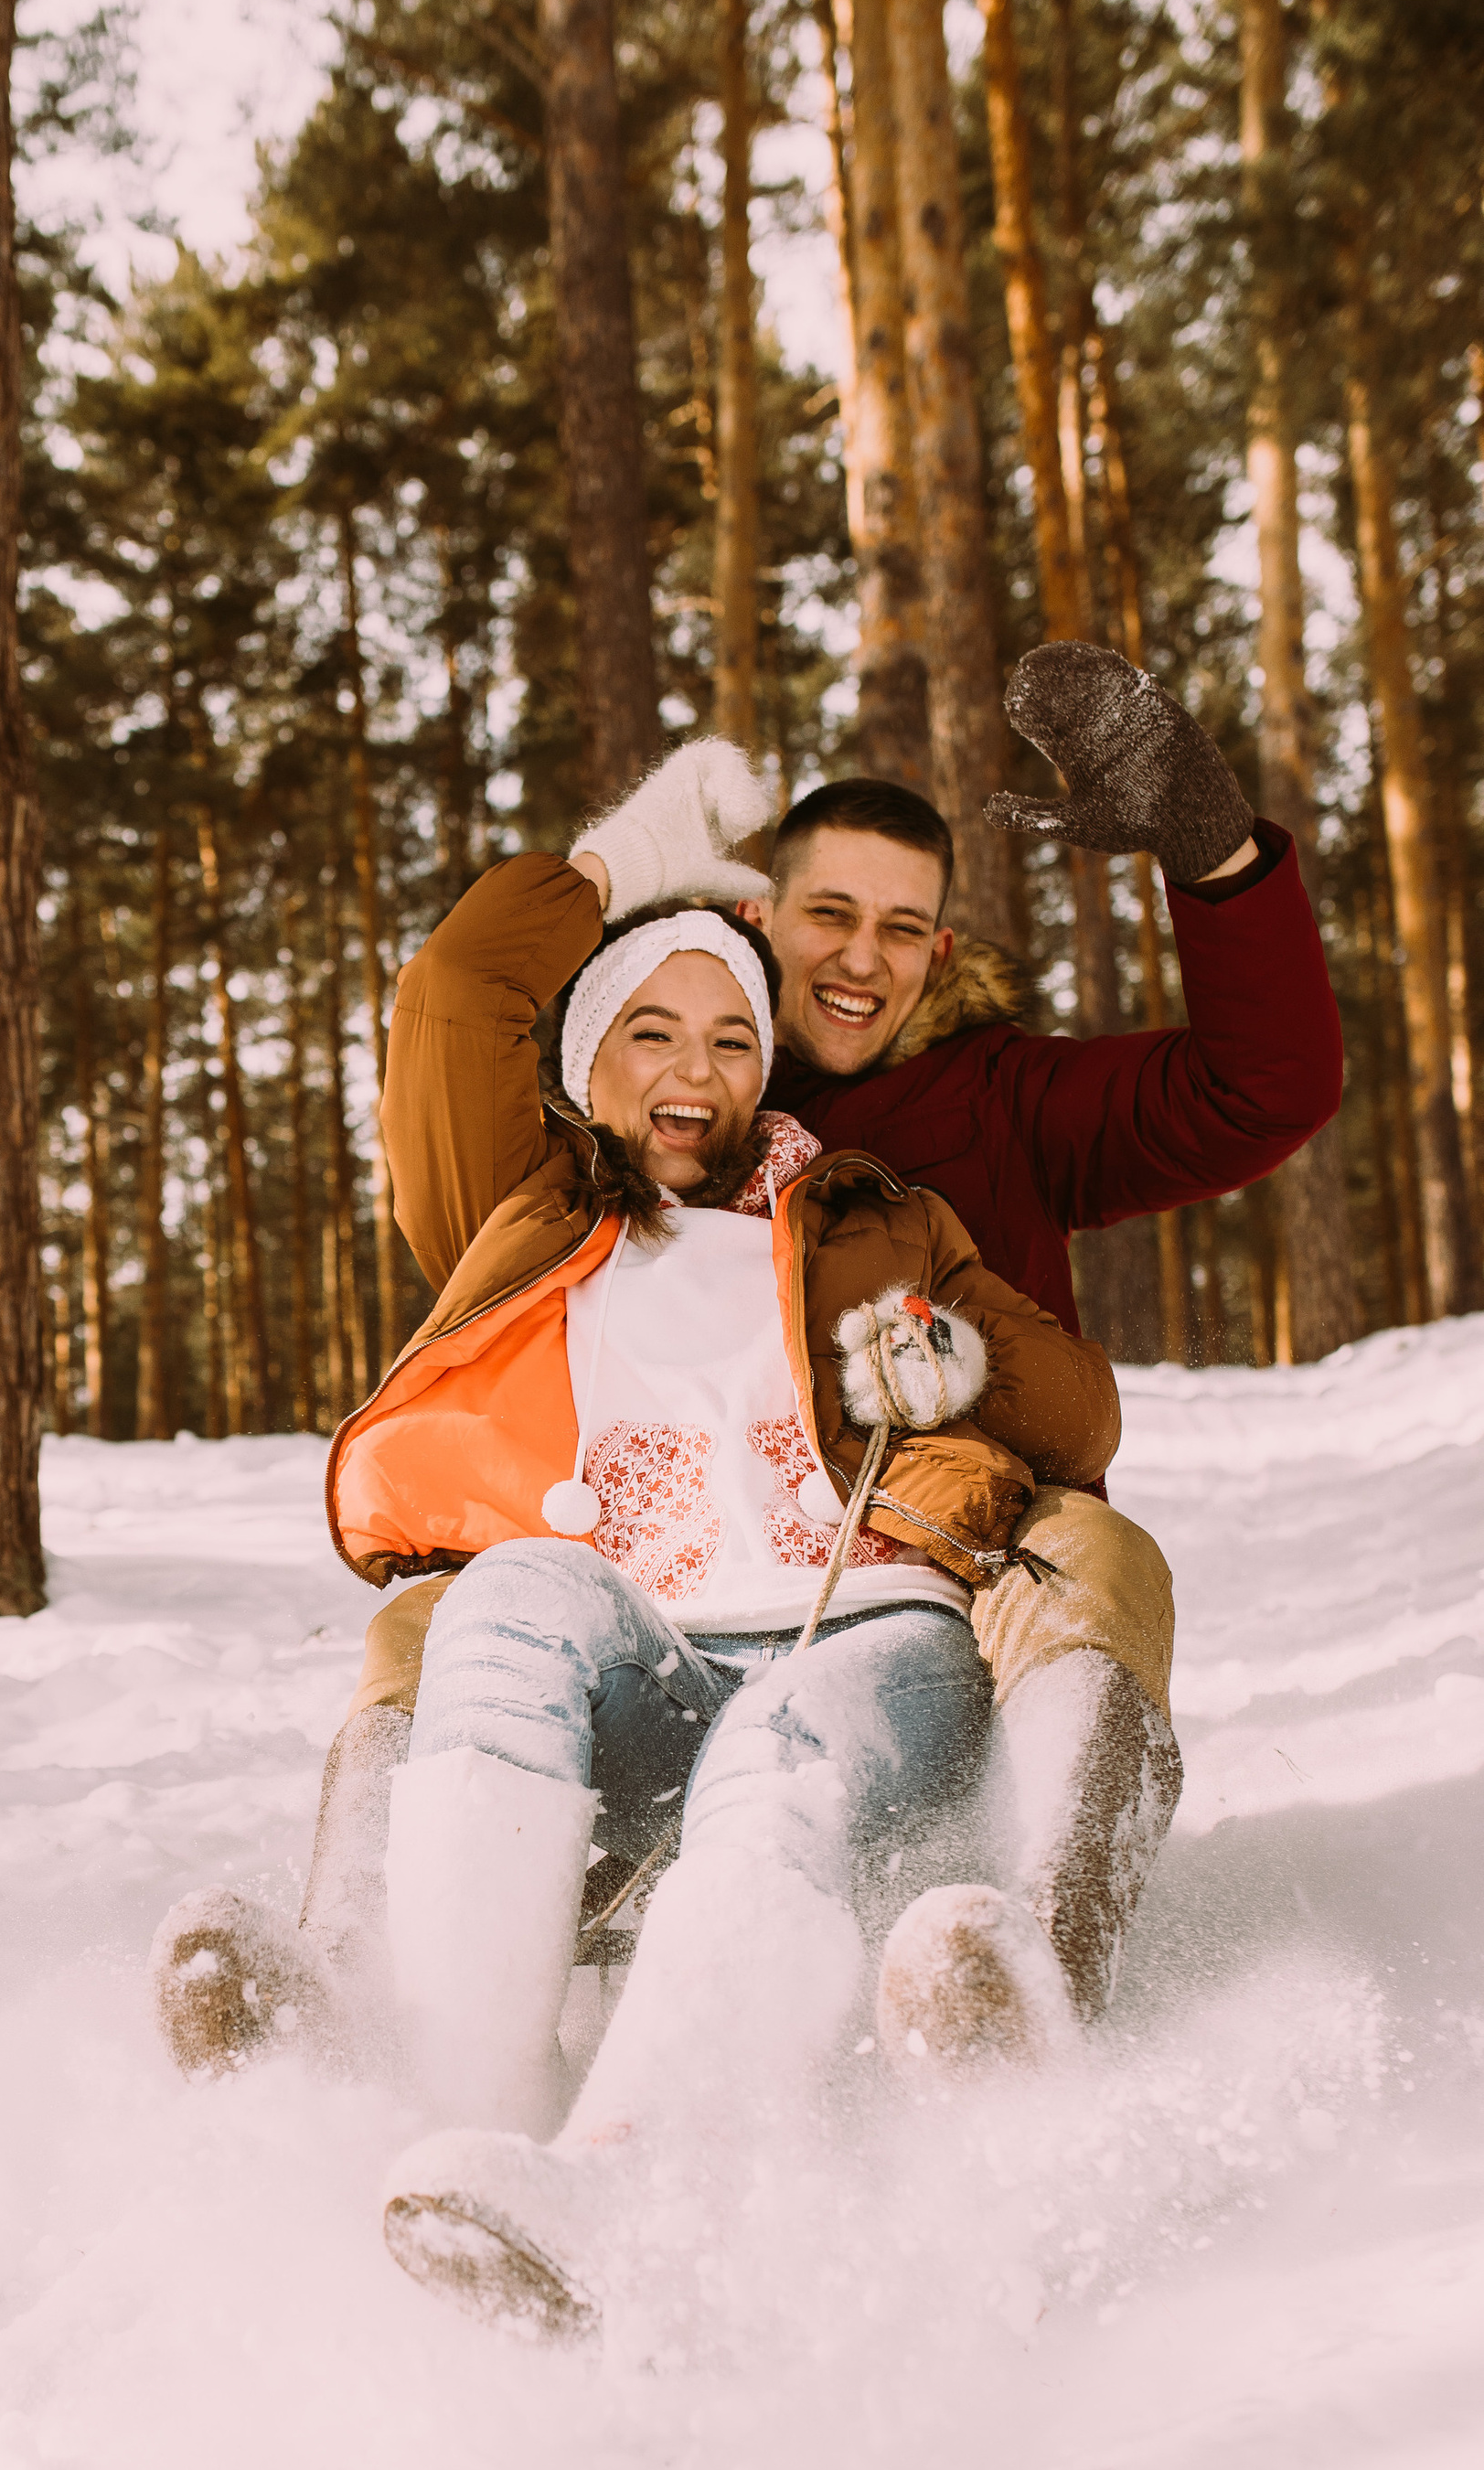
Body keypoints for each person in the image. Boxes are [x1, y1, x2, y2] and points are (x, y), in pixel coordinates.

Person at [152, 644, 1341, 2072]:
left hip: (926, 1547)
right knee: (449, 1611)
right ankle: (357, 1972)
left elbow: (1261, 1089)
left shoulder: (988, 1111)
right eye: (829, 914)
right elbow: (459, 1010)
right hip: (643, 1575)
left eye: (904, 930)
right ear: (752, 923)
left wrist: (1211, 858)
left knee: (1092, 1551)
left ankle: (1028, 1968)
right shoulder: (619, 1147)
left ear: (943, 955)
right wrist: (617, 861)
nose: (862, 956)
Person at [321, 885, 1116, 2334]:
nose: (698, 1072)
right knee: (505, 1603)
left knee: (780, 1746)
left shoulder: (880, 1220)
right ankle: (468, 2130)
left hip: (862, 1635)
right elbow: (453, 985)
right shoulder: (536, 1224)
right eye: (654, 1031)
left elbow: (1081, 1414)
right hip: (648, 1662)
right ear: (587, 1065)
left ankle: (636, 2180)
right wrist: (619, 870)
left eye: (735, 1039)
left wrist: (952, 1363)